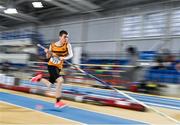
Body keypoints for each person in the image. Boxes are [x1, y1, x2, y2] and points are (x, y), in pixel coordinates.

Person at [31, 30, 73, 108]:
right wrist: (47, 52)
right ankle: (58, 102)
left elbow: (71, 55)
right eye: (64, 37)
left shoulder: (68, 45)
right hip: (51, 65)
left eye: (67, 37)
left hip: (59, 67)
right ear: (60, 37)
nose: (66, 38)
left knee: (49, 84)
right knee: (60, 80)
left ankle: (39, 78)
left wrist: (63, 58)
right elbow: (47, 57)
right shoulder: (52, 45)